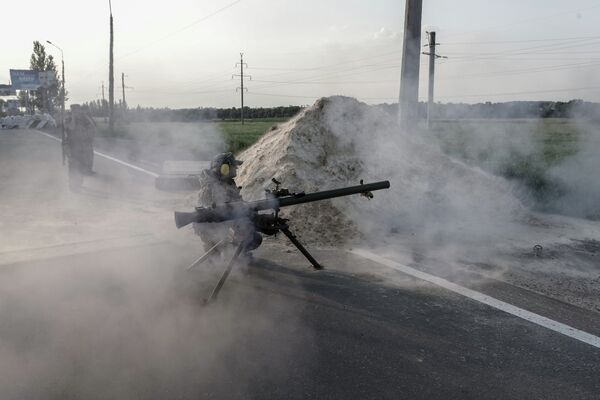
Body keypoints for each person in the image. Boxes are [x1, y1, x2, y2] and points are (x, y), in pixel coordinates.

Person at [194, 152, 262, 256]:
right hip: (210, 227)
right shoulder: (209, 188)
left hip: (225, 221)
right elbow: (207, 216)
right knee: (218, 250)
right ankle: (217, 253)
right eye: (233, 166)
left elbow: (237, 203)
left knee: (253, 237)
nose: (236, 169)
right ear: (224, 168)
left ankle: (237, 255)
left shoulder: (229, 183)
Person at [65, 105, 96, 190]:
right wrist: (73, 117)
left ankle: (79, 184)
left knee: (81, 165)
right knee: (73, 166)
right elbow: (71, 127)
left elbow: (93, 126)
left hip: (82, 146)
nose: (77, 111)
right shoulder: (68, 118)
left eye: (78, 110)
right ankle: (72, 186)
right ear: (72, 110)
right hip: (71, 146)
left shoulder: (84, 119)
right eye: (74, 110)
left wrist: (86, 116)